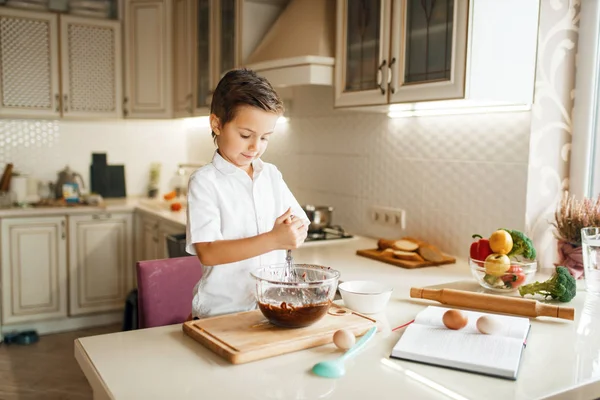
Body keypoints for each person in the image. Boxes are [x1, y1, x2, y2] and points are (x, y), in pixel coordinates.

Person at [186, 68, 309, 319]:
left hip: (272, 307)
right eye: (245, 135)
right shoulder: (204, 182)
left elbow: (300, 224)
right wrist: (275, 239)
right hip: (222, 314)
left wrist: (293, 231)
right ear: (217, 124)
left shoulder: (271, 175)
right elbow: (208, 252)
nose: (256, 147)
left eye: (265, 138)